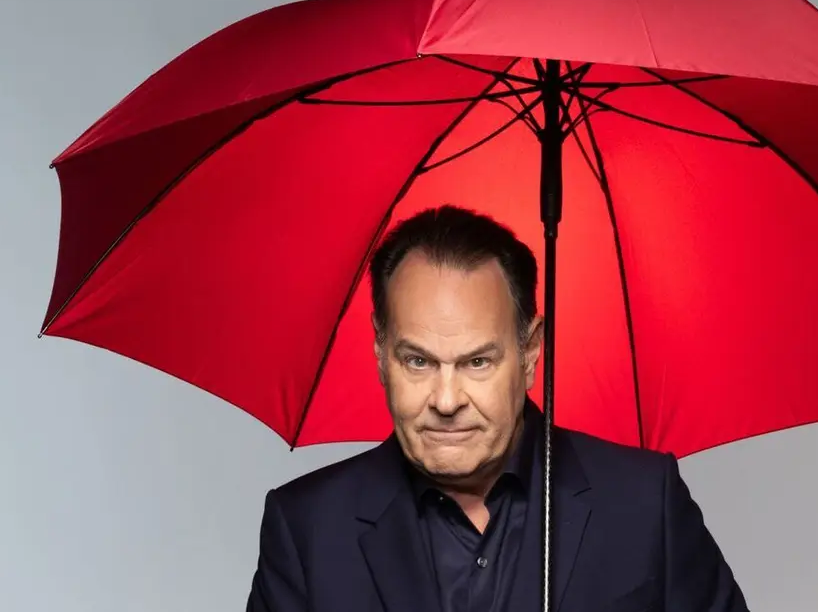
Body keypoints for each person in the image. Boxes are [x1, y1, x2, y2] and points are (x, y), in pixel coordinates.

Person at [245, 205, 749, 612]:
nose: (446, 401)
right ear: (381, 352)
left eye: (477, 362)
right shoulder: (307, 528)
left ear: (530, 352)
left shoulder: (644, 503)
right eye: (418, 361)